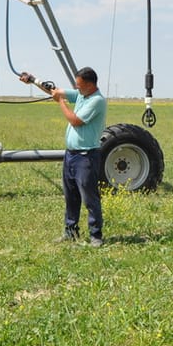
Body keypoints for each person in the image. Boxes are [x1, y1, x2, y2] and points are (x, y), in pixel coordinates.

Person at [20, 66, 107, 247]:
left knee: (89, 197)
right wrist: (33, 80)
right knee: (71, 196)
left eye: (79, 85)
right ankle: (70, 232)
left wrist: (61, 102)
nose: (76, 89)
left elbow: (75, 121)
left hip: (86, 156)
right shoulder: (82, 95)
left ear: (90, 85)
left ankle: (96, 236)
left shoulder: (97, 101)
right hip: (71, 155)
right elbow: (55, 91)